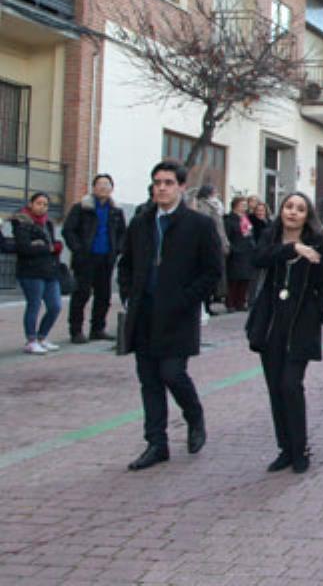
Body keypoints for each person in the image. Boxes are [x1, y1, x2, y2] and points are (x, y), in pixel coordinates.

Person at [118, 160, 223, 470]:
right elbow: (126, 263)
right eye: (157, 183)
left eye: (167, 182)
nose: (161, 188)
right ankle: (156, 443)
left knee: (172, 373)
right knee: (148, 379)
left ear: (180, 186)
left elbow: (213, 271)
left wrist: (187, 299)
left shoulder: (198, 225)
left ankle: (194, 415)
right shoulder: (141, 222)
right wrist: (128, 294)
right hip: (145, 312)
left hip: (177, 314)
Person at [245, 192, 323, 474]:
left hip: (300, 324)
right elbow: (257, 259)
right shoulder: (270, 238)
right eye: (288, 207)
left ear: (308, 216)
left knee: (290, 385)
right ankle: (285, 447)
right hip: (271, 323)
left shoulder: (318, 243)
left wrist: (317, 312)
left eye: (300, 209)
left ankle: (300, 447)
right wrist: (292, 248)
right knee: (275, 387)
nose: (293, 213)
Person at [62, 174, 127, 344]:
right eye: (100, 184)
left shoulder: (116, 211)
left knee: (103, 295)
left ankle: (97, 329)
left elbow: (122, 233)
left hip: (106, 258)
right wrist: (78, 249)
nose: (104, 187)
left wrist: (118, 249)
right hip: (86, 258)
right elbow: (68, 230)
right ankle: (76, 331)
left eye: (107, 184)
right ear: (93, 187)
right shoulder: (81, 208)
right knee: (81, 294)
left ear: (112, 188)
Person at [11, 192, 64, 354]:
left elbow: (53, 245)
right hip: (30, 271)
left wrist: (52, 246)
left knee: (55, 305)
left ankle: (42, 337)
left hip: (49, 270)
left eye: (45, 204)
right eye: (39, 203)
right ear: (31, 204)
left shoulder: (47, 223)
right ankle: (31, 340)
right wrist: (46, 248)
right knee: (34, 304)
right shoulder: (22, 222)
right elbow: (24, 247)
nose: (42, 207)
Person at [190, 185, 230, 317]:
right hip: (208, 244)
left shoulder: (216, 206)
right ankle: (205, 306)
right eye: (214, 192)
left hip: (217, 242)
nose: (217, 194)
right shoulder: (203, 206)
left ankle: (208, 304)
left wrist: (224, 243)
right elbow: (207, 226)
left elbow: (220, 227)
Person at [224, 197, 256, 312]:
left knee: (245, 279)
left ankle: (241, 302)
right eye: (242, 204)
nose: (245, 207)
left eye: (245, 204)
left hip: (247, 252)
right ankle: (231, 303)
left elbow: (250, 233)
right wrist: (232, 249)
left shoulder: (245, 219)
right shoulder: (230, 220)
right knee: (234, 279)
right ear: (235, 206)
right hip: (236, 252)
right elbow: (227, 235)